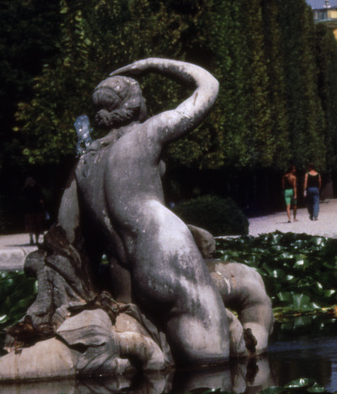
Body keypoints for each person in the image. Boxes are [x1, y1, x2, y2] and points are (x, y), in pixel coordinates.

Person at [57, 57, 231, 366]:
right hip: (164, 253)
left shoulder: (84, 162)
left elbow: (66, 231)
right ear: (138, 106)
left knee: (160, 367)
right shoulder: (150, 132)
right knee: (212, 358)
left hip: (124, 278)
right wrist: (153, 64)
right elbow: (208, 87)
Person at [22, 177, 46, 244]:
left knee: (30, 225)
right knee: (38, 225)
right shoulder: (37, 189)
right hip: (37, 209)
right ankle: (37, 240)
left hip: (28, 210)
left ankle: (31, 239)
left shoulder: (25, 190)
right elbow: (41, 200)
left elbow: (23, 200)